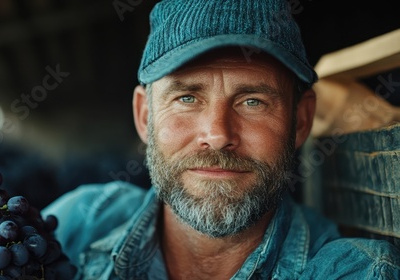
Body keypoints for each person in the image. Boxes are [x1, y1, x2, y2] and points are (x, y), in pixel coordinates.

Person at [42, 0, 400, 279]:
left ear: (300, 120)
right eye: (187, 98)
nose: (217, 135)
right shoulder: (79, 223)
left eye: (252, 101)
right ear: (145, 116)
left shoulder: (353, 272)